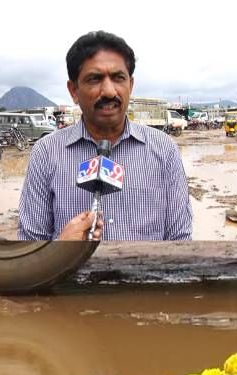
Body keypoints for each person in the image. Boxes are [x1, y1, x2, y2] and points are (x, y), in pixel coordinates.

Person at [18, 31, 191, 241]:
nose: (109, 91)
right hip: (70, 274)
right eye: (94, 79)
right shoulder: (46, 152)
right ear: (73, 90)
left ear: (131, 85)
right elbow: (29, 247)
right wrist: (60, 250)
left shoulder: (164, 149)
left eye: (118, 78)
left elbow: (180, 241)